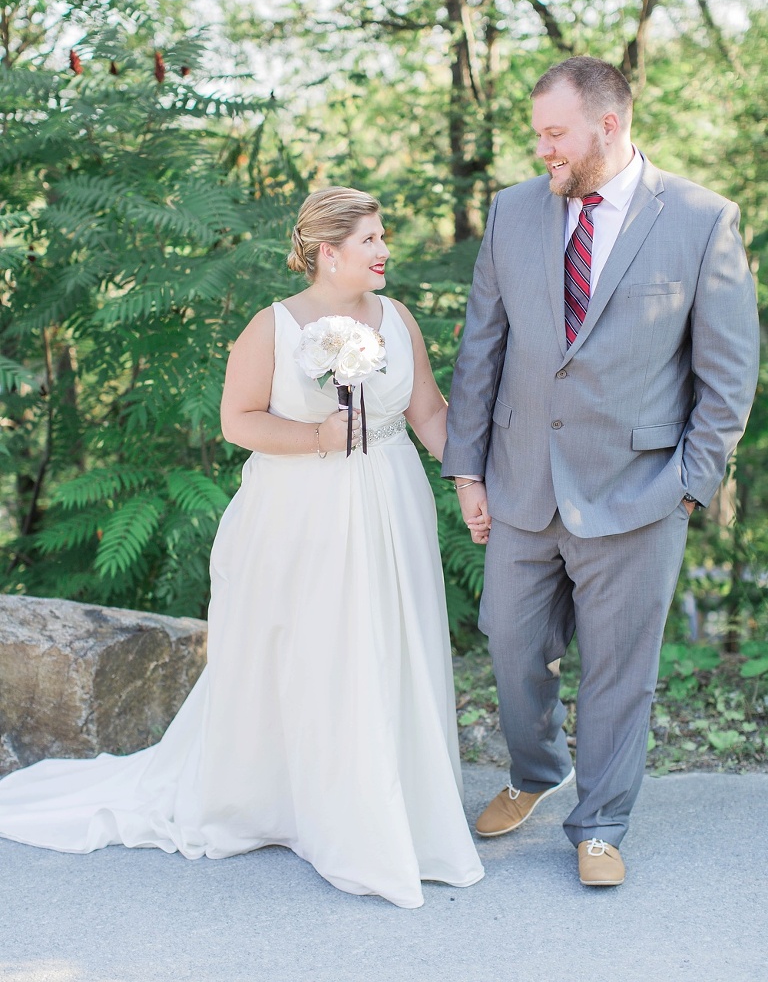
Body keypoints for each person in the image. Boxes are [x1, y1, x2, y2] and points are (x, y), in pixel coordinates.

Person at [0, 186, 484, 909]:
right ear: (329, 252)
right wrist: (319, 436)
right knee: (318, 651)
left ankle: (394, 803)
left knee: (390, 642)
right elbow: (238, 420)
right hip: (303, 511)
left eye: (383, 237)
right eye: (372, 239)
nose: (386, 251)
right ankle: (309, 806)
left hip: (393, 501)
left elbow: (427, 412)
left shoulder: (398, 318)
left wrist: (469, 484)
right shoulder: (276, 326)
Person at [442, 56, 759, 887]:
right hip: (520, 481)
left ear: (607, 127)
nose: (541, 148)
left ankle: (602, 821)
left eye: (555, 132)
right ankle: (537, 771)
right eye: (537, 132)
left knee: (622, 671)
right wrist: (467, 471)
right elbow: (483, 348)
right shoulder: (512, 213)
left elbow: (728, 374)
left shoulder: (699, 219)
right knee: (510, 643)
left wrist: (692, 482)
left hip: (642, 490)